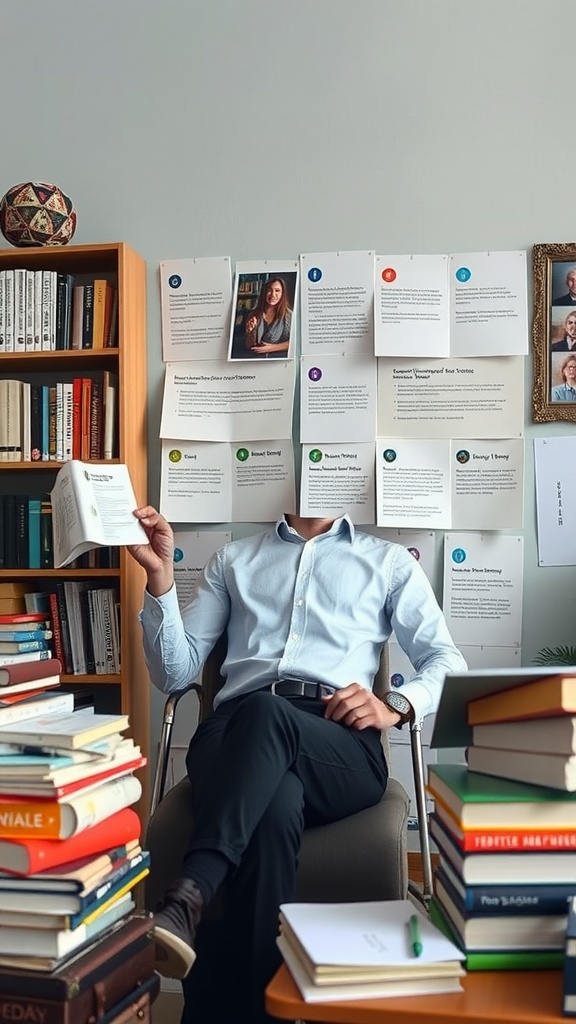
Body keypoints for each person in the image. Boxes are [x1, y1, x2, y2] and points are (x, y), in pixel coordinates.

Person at [128, 509, 466, 1024]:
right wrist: (160, 581)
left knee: (270, 714)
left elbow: (446, 659)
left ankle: (191, 894)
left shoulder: (389, 561)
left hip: (336, 740)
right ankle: (270, 1011)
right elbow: (176, 672)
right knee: (276, 801)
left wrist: (395, 703)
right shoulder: (235, 559)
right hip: (234, 734)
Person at [244, 276, 292, 357]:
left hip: (278, 359)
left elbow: (295, 342)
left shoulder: (289, 316)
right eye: (269, 290)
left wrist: (271, 348)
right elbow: (249, 345)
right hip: (256, 359)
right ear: (264, 292)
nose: (273, 295)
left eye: (277, 291)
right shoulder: (253, 315)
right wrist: (250, 332)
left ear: (282, 294)